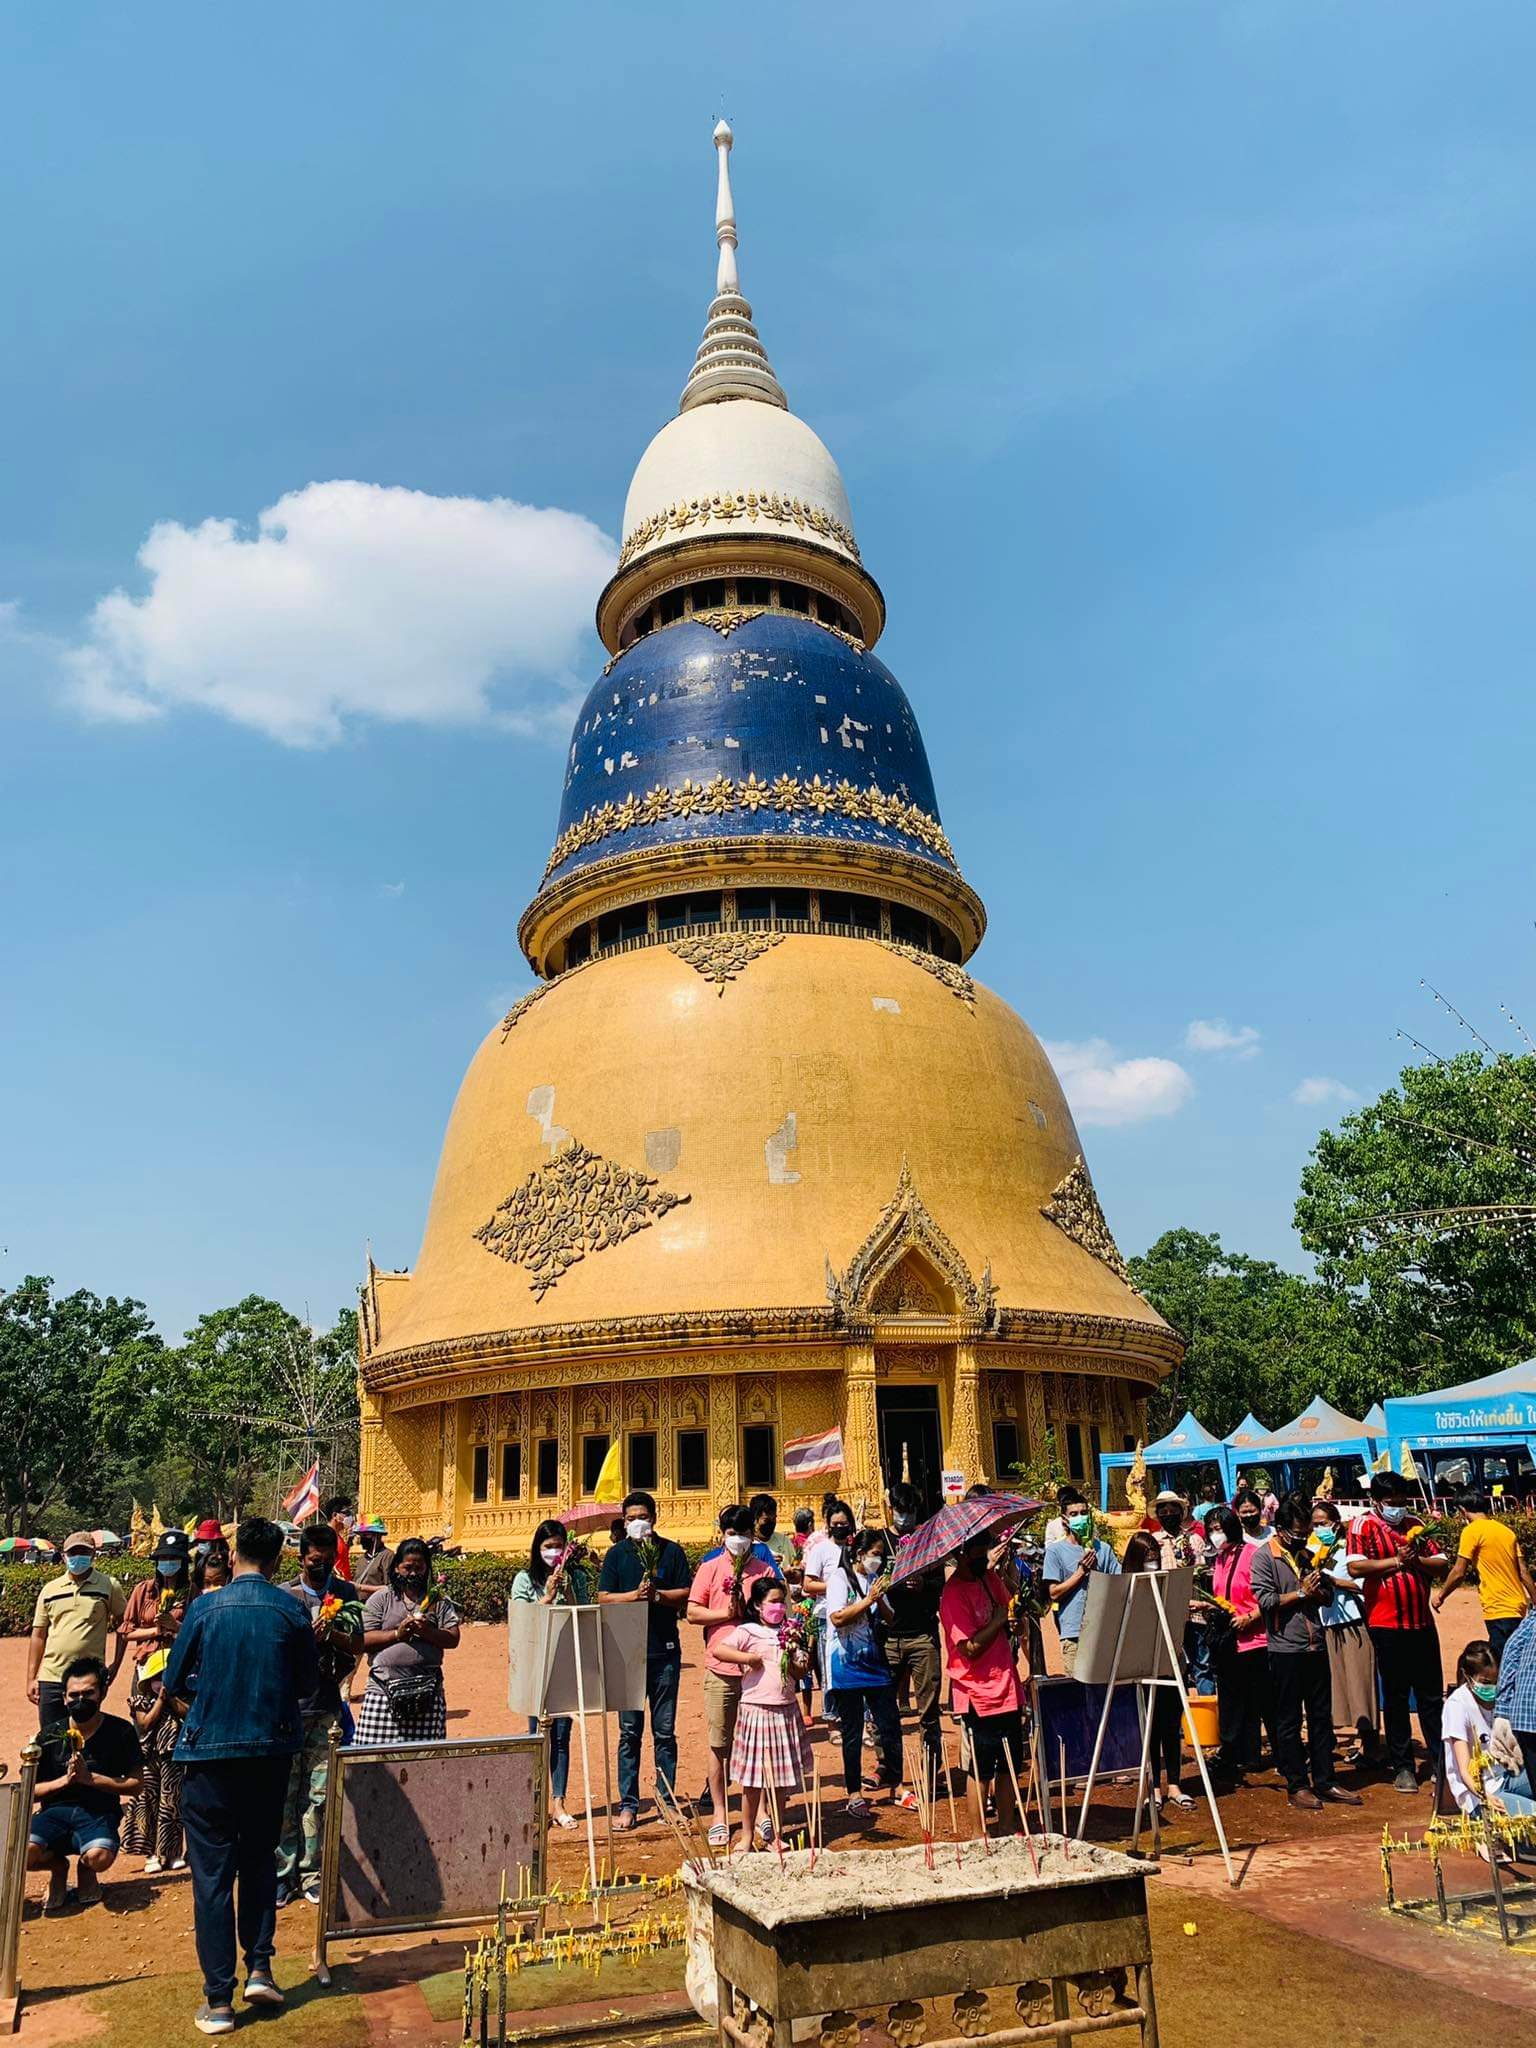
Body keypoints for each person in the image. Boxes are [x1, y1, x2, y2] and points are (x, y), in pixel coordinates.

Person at [162, 1517, 319, 2034]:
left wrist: (206, 1694)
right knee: (257, 1863)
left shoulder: (206, 1608)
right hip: (269, 1751)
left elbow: (172, 1677)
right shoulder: (291, 1609)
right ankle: (260, 1967)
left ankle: (218, 2000)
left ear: (232, 1556)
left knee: (211, 1877)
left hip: (207, 1753)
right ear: (278, 1561)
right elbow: (306, 1682)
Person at [1250, 1492, 1361, 1812]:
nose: (1302, 1538)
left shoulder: (1311, 1554)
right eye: (1297, 1533)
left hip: (1316, 1644)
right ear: (1280, 1529)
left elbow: (1326, 1597)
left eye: (1305, 1533)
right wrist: (1301, 1592)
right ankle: (1297, 1784)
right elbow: (1267, 1602)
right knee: (1287, 1720)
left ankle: (1325, 1779)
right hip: (1285, 1649)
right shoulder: (1265, 1557)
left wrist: (1320, 1586)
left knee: (1321, 1717)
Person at [276, 1524, 362, 1907]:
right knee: (286, 1794)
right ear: (301, 1559)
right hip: (289, 1710)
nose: (322, 1567)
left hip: (327, 1708)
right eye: (315, 1561)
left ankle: (312, 1871)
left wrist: (334, 1640)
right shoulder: (283, 1598)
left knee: (319, 1795)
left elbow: (356, 1646)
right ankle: (282, 1871)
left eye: (328, 1562)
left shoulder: (344, 1593)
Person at [1347, 1473, 1448, 1794]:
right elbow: (1356, 1568)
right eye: (1392, 1504)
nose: (1398, 1509)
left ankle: (1441, 1762)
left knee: (1432, 1697)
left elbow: (1441, 1562)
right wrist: (1395, 1561)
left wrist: (1415, 1559)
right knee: (1396, 1697)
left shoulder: (1416, 1524)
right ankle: (1403, 1766)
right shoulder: (1362, 1526)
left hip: (1422, 1625)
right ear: (1376, 1501)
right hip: (1387, 1625)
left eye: (1403, 1503)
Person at [597, 1490, 690, 1832]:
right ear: (624, 1521)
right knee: (629, 1733)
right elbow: (603, 1597)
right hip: (627, 1655)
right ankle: (629, 1805)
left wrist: (659, 1595)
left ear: (654, 1517)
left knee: (664, 1732)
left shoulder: (672, 1552)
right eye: (631, 1518)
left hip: (664, 1652)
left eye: (643, 1516)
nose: (637, 1522)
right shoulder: (617, 1555)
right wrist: (633, 1596)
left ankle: (666, 1801)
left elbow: (686, 1593)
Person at [27, 1654, 143, 1915]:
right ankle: (58, 1869)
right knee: (22, 1853)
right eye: (73, 1695)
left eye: (88, 1693)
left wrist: (92, 1780)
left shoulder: (121, 1732)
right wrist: (64, 1781)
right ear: (64, 1697)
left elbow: (137, 1784)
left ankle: (86, 1869)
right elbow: (28, 1792)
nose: (80, 1701)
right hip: (54, 1813)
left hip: (98, 1812)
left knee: (99, 1857)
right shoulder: (48, 1736)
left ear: (102, 1693)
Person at [687, 1506, 774, 1846]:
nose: (739, 1539)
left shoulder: (764, 1568)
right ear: (722, 1533)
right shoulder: (710, 1568)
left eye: (744, 1532)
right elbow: (693, 1612)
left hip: (756, 1669)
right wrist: (725, 1611)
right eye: (732, 1532)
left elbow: (778, 1607)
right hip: (721, 1667)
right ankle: (720, 1813)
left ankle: (761, 1811)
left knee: (758, 1743)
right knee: (719, 1743)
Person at [712, 1575, 813, 1850]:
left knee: (780, 1782)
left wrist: (799, 1658)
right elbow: (719, 1649)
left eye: (782, 1602)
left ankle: (776, 1835)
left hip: (785, 1711)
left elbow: (800, 1670)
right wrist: (748, 1659)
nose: (779, 1607)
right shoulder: (748, 1632)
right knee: (752, 1782)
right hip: (755, 1710)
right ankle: (746, 1836)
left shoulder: (793, 1631)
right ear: (758, 1605)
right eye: (773, 1602)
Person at [940, 1526, 1026, 1829]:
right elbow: (970, 1648)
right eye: (977, 1552)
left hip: (1007, 1685)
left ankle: (1006, 1826)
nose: (983, 1558)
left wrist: (1014, 1622)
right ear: (962, 1555)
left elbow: (1009, 1610)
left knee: (1009, 1766)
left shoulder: (989, 1579)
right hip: (977, 1692)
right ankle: (979, 1834)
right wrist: (999, 1621)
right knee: (980, 1768)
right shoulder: (952, 1595)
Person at [510, 1521, 591, 1832]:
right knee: (537, 1733)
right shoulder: (524, 1579)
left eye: (559, 1546)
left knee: (561, 1736)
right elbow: (520, 1621)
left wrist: (568, 1590)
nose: (553, 1552)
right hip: (535, 1664)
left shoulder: (577, 1577)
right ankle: (536, 1800)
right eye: (548, 1547)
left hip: (566, 1662)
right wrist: (545, 1597)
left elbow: (583, 1615)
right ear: (538, 1549)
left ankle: (558, 1802)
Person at [122, 1528, 193, 1873]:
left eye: (174, 1560)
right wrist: (156, 1630)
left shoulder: (191, 1594)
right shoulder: (143, 1591)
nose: (168, 1565)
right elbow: (126, 1630)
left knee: (175, 1765)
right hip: (145, 1678)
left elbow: (197, 1633)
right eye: (163, 1559)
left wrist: (176, 1630)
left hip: (179, 1679)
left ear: (183, 1562)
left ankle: (173, 1845)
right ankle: (148, 1846)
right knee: (147, 1761)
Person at [824, 1528, 903, 1819]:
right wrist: (868, 1600)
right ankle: (853, 1792)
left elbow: (892, 1618)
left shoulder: (875, 1580)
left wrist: (879, 1598)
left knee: (889, 1724)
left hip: (876, 1662)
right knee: (853, 1731)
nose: (878, 1561)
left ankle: (897, 1782)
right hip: (847, 1664)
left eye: (881, 1556)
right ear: (859, 1553)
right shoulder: (840, 1578)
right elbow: (837, 1617)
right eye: (875, 1554)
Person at [358, 1536, 461, 1743]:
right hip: (383, 1692)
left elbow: (453, 1638)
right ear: (396, 1567)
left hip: (427, 1694)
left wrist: (426, 1632)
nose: (413, 1573)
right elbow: (363, 1640)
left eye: (419, 1567)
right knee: (372, 1766)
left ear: (427, 1568)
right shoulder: (382, 1598)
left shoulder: (437, 1601)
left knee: (424, 1765)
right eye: (407, 1567)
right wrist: (397, 1634)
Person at [879, 1484, 944, 1806]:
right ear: (890, 1508)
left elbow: (939, 1585)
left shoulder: (928, 1541)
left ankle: (932, 1771)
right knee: (885, 1709)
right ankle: (889, 1769)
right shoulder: (879, 1541)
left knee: (928, 1710)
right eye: (900, 1510)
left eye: (911, 1511)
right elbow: (870, 1583)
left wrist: (923, 1584)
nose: (905, 1517)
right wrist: (894, 1582)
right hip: (889, 1635)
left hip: (923, 1635)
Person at [1118, 1532, 1193, 1809]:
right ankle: (1154, 1788)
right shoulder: (1127, 1588)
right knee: (1149, 1729)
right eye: (1148, 1559)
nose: (1153, 1564)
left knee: (1171, 1726)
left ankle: (1175, 1784)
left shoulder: (1166, 1584)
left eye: (1156, 1558)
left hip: (1170, 1664)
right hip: (1143, 1667)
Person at [27, 1531, 126, 1732]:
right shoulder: (50, 1589)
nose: (77, 1557)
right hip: (52, 1677)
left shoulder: (109, 1586)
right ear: (64, 1556)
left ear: (93, 1554)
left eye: (83, 1551)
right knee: (51, 1738)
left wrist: (116, 1664)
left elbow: (123, 1627)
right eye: (73, 1552)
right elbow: (38, 1636)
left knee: (87, 1734)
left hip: (87, 1679)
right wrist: (31, 1678)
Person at [1204, 1505, 1271, 1781]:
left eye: (1218, 1529)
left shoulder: (1252, 1555)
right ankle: (1239, 1753)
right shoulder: (1219, 1559)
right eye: (1210, 1530)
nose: (1214, 1535)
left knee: (1263, 1700)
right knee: (1232, 1700)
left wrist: (1250, 1617)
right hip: (1230, 1642)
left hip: (1255, 1639)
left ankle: (1278, 1752)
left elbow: (1267, 1596)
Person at [1311, 1500, 1380, 1765]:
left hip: (1353, 1622)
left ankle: (1371, 1744)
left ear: (1336, 1524)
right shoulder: (1318, 1552)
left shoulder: (1350, 1551)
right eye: (1315, 1525)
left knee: (1361, 1683)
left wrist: (1334, 1581)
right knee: (1337, 1685)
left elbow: (1363, 1585)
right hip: (1328, 1623)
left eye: (1323, 1524)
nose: (1319, 1529)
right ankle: (1341, 1739)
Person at [1433, 1492, 1535, 1659]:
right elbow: (1523, 1571)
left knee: (1501, 1662)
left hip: (1497, 1606)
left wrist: (1441, 1596)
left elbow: (1459, 1571)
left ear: (1462, 1510)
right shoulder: (1505, 1531)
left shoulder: (1471, 1531)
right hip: (1517, 1605)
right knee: (1515, 1656)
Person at [1444, 1640, 1533, 1830]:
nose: (1492, 1688)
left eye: (1496, 1682)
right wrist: (1484, 1797)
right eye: (1486, 1682)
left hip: (1509, 1775)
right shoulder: (1458, 1706)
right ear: (1467, 1676)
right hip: (1481, 1792)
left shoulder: (1502, 1697)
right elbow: (1464, 1770)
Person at [1042, 1499, 1120, 1676]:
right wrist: (1081, 1572)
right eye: (1074, 1514)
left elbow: (1120, 1583)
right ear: (1065, 1520)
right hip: (1074, 1632)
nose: (1080, 1518)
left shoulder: (1104, 1550)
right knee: (1079, 1691)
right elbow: (1053, 1593)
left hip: (1104, 1630)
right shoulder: (1055, 1551)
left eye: (1084, 1513)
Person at [801, 1498, 856, 1723]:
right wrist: (836, 1585)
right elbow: (808, 1585)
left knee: (854, 1666)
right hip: (827, 1617)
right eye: (836, 1523)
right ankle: (832, 1717)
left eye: (844, 1523)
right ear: (828, 1524)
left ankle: (856, 1716)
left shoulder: (857, 1549)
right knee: (830, 1667)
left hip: (856, 1616)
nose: (840, 1527)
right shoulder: (821, 1550)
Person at [352, 1517, 394, 1591]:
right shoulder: (362, 1559)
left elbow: (390, 1588)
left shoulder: (387, 1556)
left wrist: (361, 1587)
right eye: (361, 1536)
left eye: (365, 1535)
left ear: (376, 1536)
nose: (362, 1539)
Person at [321, 1498, 355, 1582]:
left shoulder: (338, 1536)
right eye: (346, 1513)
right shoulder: (325, 1536)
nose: (349, 1517)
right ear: (335, 1515)